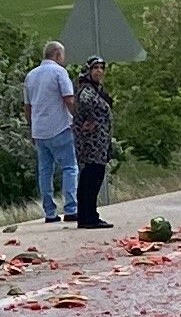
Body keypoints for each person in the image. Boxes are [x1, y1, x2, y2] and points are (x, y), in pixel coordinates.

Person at [23, 41, 78, 222]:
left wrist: (31, 127)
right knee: (69, 167)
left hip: (39, 131)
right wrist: (78, 118)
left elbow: (28, 106)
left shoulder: (31, 76)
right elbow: (68, 99)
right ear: (57, 54)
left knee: (45, 171)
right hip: (60, 127)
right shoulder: (59, 72)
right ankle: (71, 208)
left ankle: (49, 212)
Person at [69, 56, 116, 228]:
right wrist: (90, 120)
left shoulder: (97, 89)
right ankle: (88, 216)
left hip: (100, 143)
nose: (99, 71)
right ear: (89, 70)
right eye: (95, 68)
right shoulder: (86, 90)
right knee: (90, 178)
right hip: (91, 144)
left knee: (93, 178)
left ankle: (89, 215)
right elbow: (84, 104)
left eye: (101, 68)